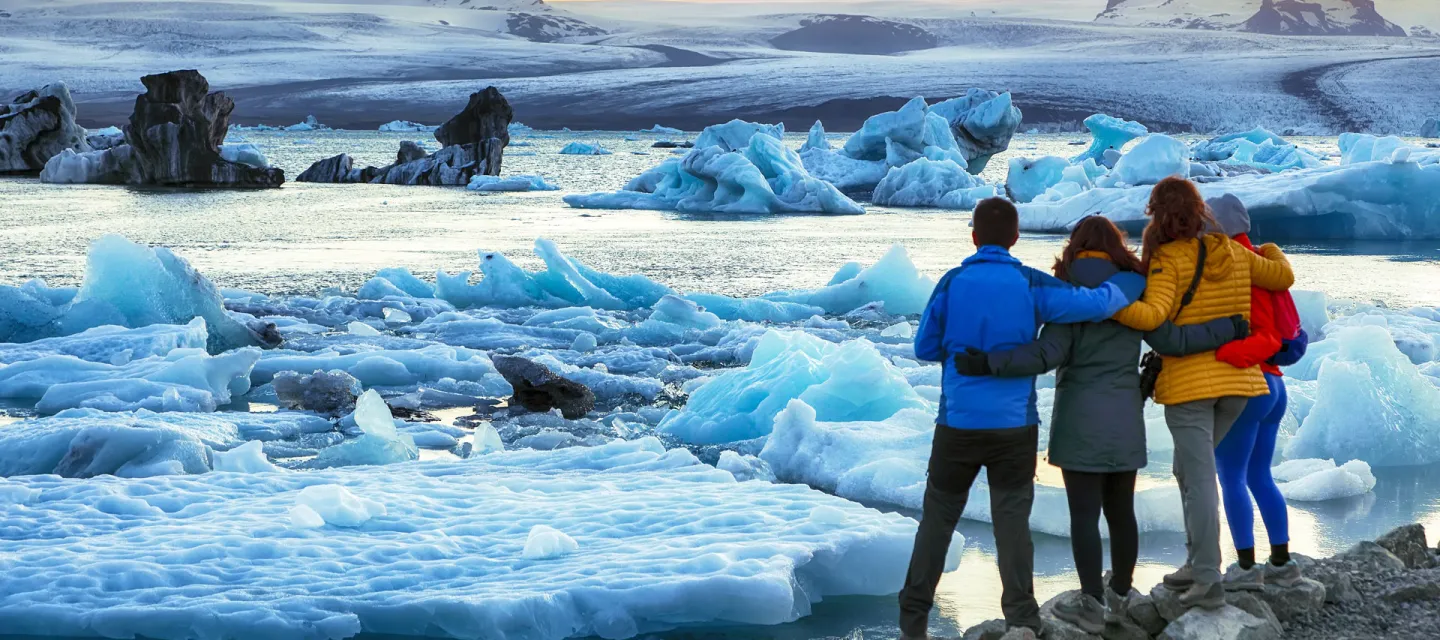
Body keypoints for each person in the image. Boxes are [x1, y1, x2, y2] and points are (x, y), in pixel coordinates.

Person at [950, 215, 1249, 633]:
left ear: (1074, 246)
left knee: (1084, 515)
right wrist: (1229, 327)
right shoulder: (1134, 292)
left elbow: (1044, 355)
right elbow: (1175, 341)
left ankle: (1091, 598)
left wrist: (988, 362)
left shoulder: (1068, 294)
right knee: (1121, 510)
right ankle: (1123, 592)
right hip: (1124, 415)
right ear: (1116, 247)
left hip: (1078, 421)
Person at [900, 198, 1143, 638]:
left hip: (957, 424)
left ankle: (914, 622)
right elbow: (1097, 304)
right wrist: (1134, 282)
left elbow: (924, 347)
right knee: (1012, 525)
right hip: (1014, 427)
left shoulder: (951, 283)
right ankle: (1022, 618)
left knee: (937, 521)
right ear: (1015, 238)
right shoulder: (1030, 284)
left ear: (974, 236)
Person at [1107, 177, 1295, 610]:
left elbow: (1153, 315)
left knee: (1199, 478)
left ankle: (1208, 578)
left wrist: (1108, 303)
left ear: (1159, 214)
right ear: (1198, 212)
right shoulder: (1231, 250)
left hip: (1191, 387)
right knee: (1186, 470)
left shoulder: (1167, 259)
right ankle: (1197, 562)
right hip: (1238, 386)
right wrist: (1266, 249)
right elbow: (1282, 275)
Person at [1204, 194, 1310, 591]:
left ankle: (1245, 568)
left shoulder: (1235, 268)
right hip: (1276, 386)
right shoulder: (1268, 264)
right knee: (1259, 475)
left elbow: (1263, 335)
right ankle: (1281, 560)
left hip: (1248, 384)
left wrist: (1219, 351)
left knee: (1230, 476)